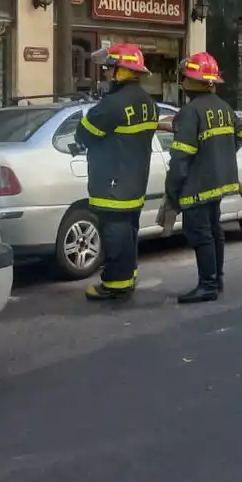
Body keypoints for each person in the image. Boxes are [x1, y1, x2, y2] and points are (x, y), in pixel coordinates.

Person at [78, 43, 158, 302]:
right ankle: (128, 275)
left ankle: (115, 284)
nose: (106, 73)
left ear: (120, 71)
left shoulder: (111, 105)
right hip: (136, 180)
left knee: (114, 233)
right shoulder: (148, 102)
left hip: (111, 182)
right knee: (129, 230)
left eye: (109, 68)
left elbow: (85, 135)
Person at [165, 52, 242, 305]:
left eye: (185, 78)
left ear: (192, 81)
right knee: (214, 230)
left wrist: (172, 189)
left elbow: (181, 157)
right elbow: (241, 135)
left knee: (200, 233)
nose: (182, 83)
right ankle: (217, 279)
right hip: (219, 182)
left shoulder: (190, 112)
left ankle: (207, 285)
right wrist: (219, 155)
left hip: (197, 185)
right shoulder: (224, 107)